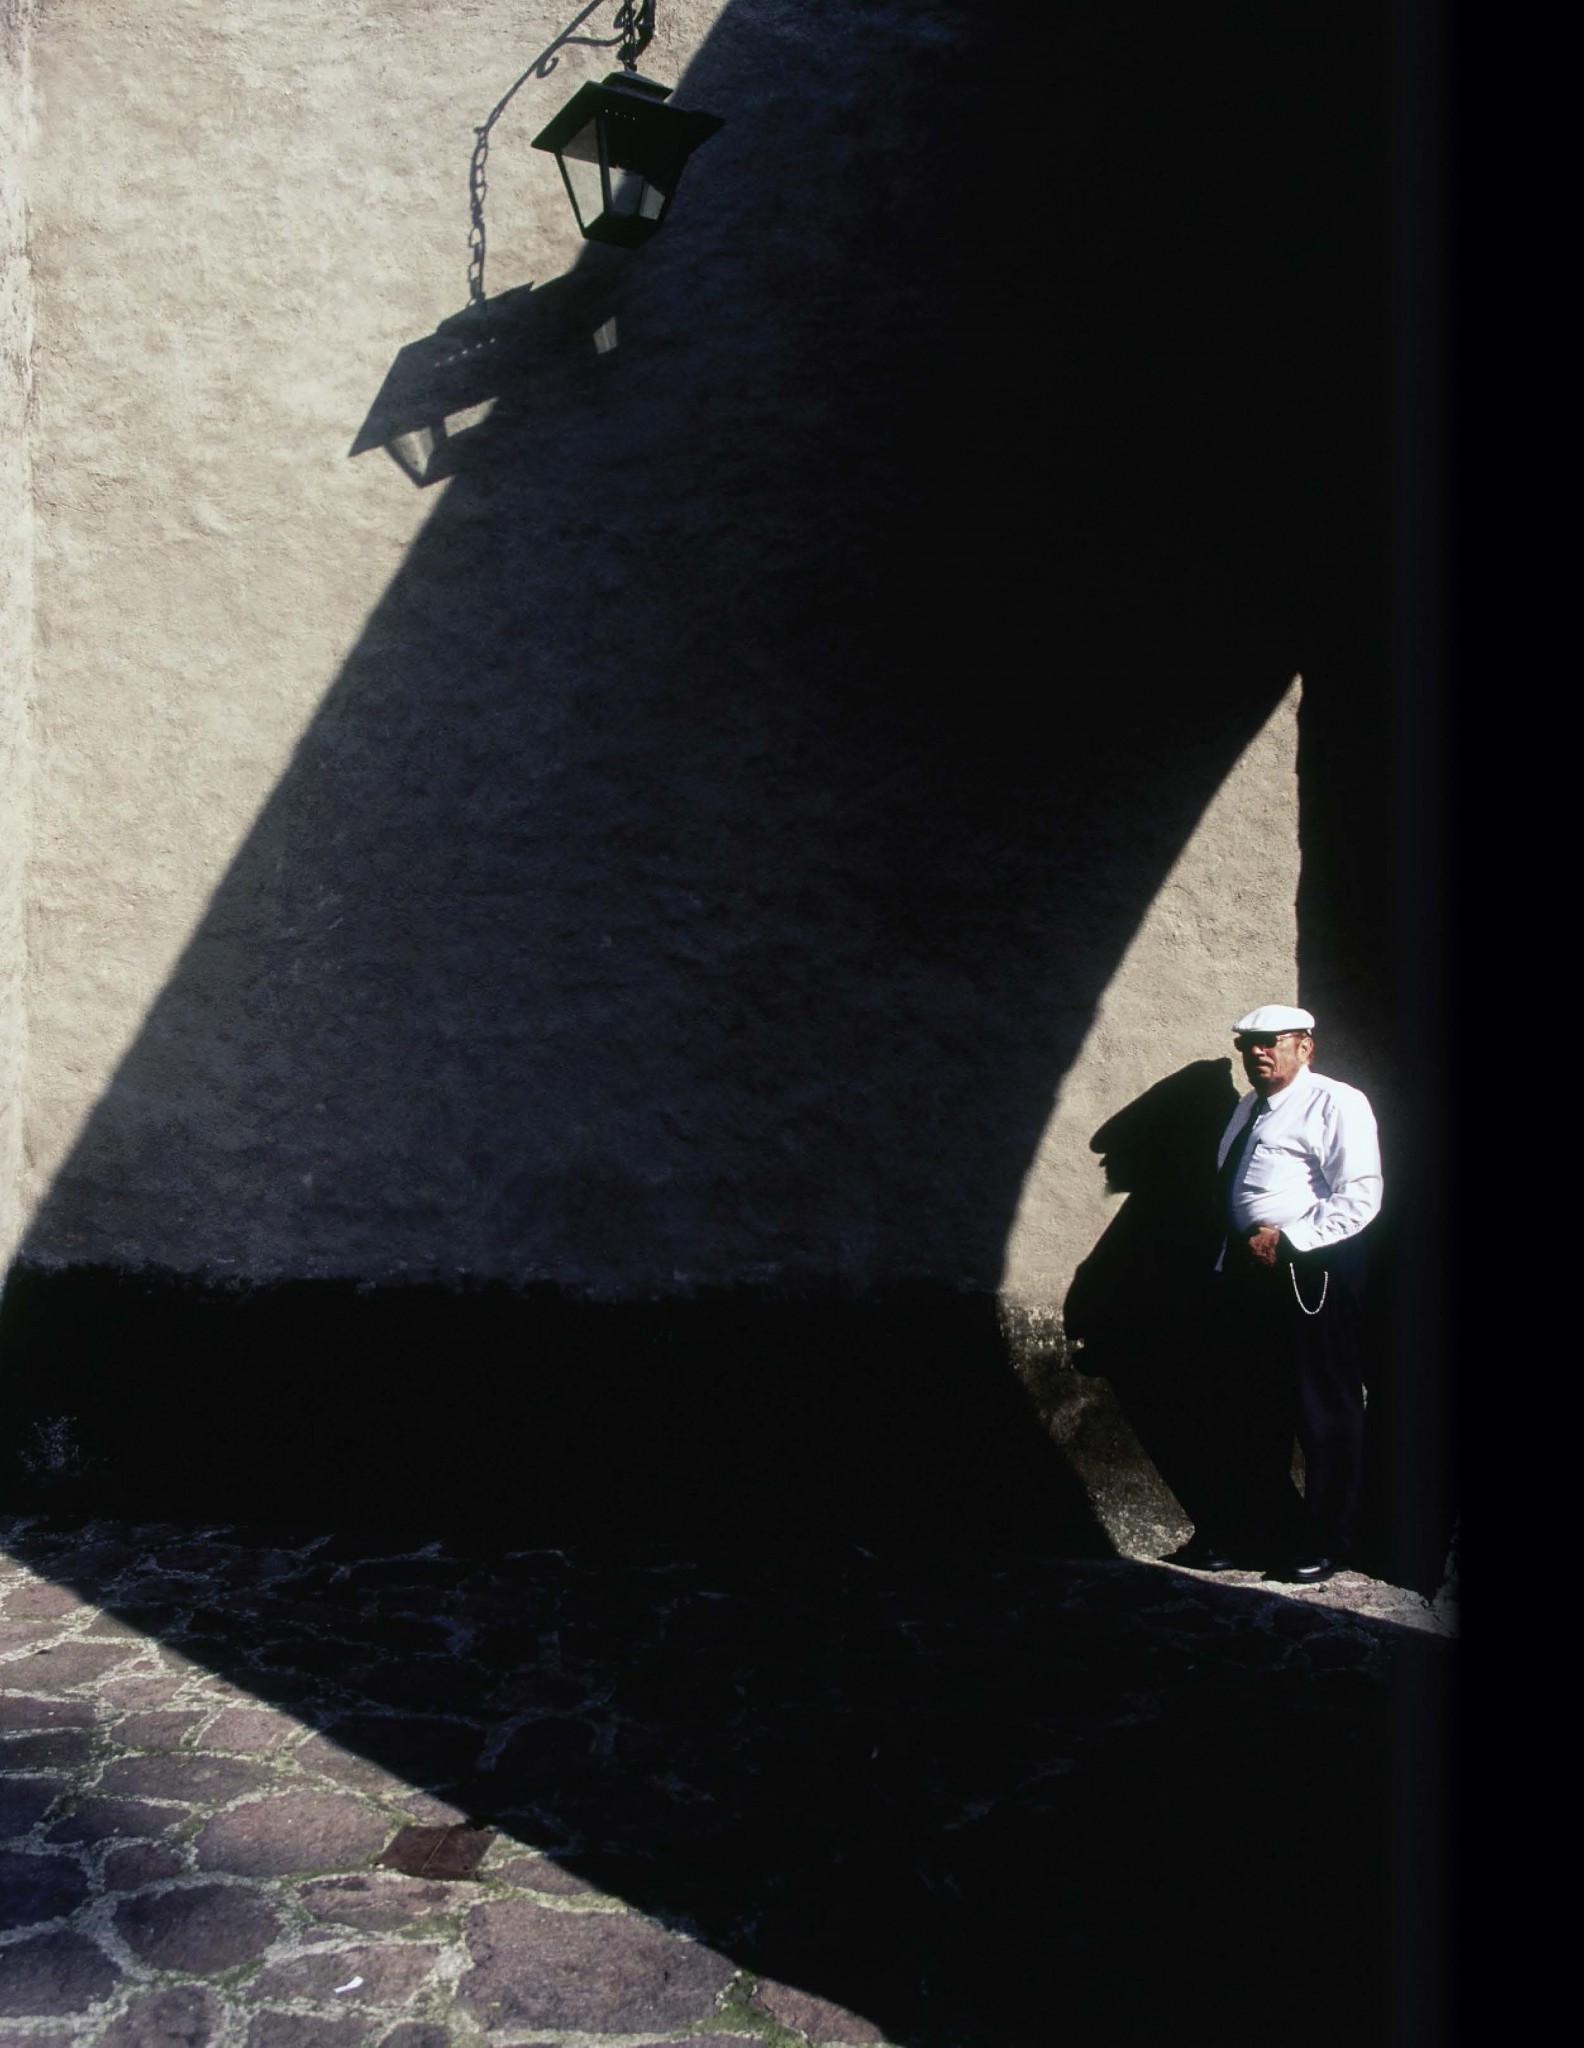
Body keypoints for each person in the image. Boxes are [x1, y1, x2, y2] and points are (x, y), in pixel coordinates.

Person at [1165, 1004, 1382, 1584]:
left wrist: (1291, 1241)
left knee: (1323, 1406)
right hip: (1249, 1272)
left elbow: (1360, 1194)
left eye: (1271, 1041)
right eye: (1247, 1044)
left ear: (1304, 1047)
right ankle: (1254, 1534)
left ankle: (1329, 1539)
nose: (1256, 1052)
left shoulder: (1334, 1102)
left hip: (1310, 1270)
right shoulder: (1249, 1107)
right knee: (1249, 1406)